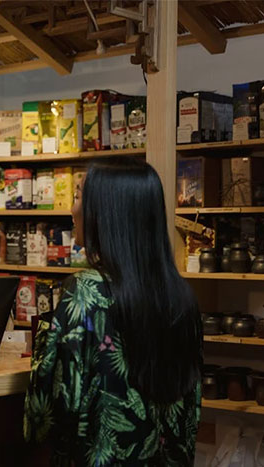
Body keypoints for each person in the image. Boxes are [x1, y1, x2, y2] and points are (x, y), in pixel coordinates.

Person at [24, 157, 202, 466]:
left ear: (104, 214)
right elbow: (191, 412)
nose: (72, 209)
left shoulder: (86, 293)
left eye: (78, 196)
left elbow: (45, 415)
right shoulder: (182, 297)